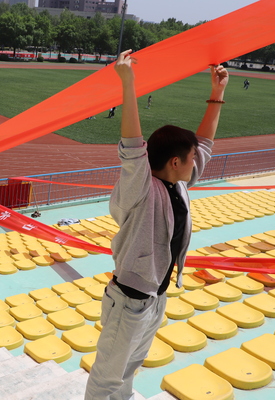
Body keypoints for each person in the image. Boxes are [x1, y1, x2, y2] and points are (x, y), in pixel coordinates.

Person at [84, 50, 228, 400]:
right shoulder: (142, 188)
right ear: (175, 161)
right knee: (107, 378)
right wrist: (128, 82)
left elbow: (204, 144)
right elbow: (133, 148)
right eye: (191, 158)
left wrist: (217, 93)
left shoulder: (179, 183)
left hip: (154, 298)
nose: (197, 161)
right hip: (128, 301)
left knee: (130, 369)